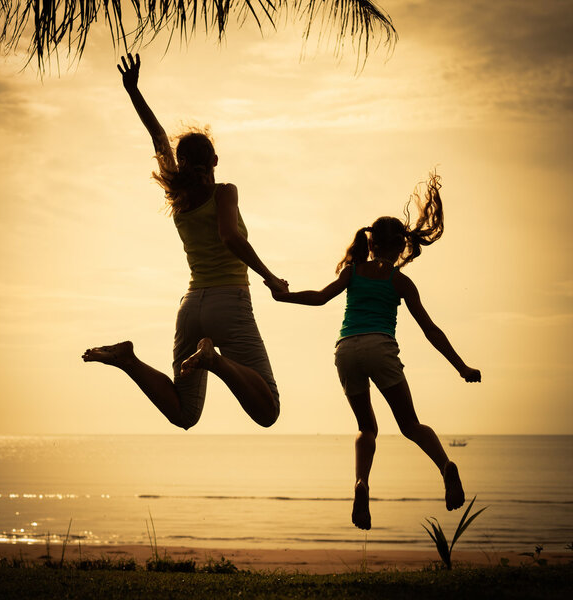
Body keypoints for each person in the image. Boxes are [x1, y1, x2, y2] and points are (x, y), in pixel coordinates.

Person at [83, 53, 286, 430]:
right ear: (215, 160)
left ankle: (129, 360)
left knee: (185, 414)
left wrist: (133, 91)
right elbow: (229, 237)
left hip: (190, 307)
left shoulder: (179, 198)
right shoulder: (224, 191)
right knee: (268, 410)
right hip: (229, 301)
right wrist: (270, 277)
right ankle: (216, 360)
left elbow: (157, 136)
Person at [267, 172, 481, 530]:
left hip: (347, 349)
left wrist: (284, 295)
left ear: (371, 242)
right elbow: (430, 330)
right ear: (401, 246)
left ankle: (361, 483)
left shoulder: (353, 272)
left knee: (367, 428)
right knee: (410, 424)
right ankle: (445, 465)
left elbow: (320, 298)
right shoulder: (400, 282)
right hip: (380, 348)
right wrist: (461, 366)